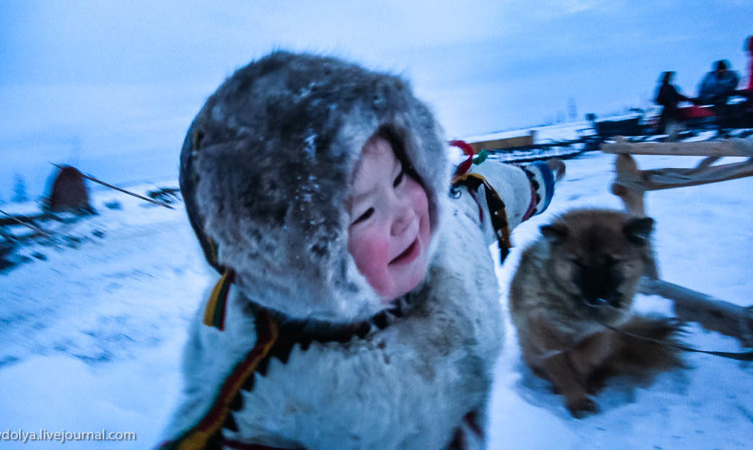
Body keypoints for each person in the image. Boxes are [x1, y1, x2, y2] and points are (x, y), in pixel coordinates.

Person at [160, 51, 563, 449]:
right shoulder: (272, 394)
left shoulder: (452, 230)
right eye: (366, 211)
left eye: (403, 176)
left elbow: (492, 197)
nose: (404, 214)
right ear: (284, 264)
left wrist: (543, 177)